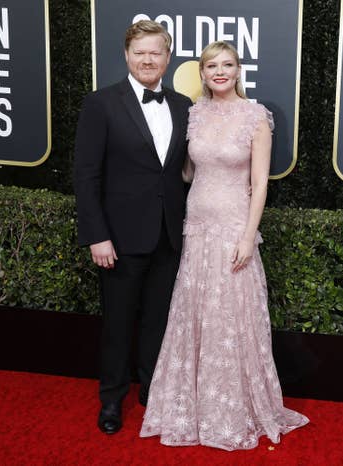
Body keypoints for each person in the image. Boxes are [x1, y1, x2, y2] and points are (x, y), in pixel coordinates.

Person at [140, 41, 309, 451]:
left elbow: (260, 183)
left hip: (233, 229)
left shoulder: (256, 118)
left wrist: (249, 236)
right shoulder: (193, 115)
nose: (219, 71)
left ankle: (234, 409)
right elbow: (185, 170)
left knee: (232, 320)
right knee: (195, 316)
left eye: (227, 64)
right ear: (201, 72)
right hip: (196, 227)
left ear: (238, 70)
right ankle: (195, 408)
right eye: (211, 65)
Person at [73, 20, 192, 435]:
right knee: (118, 324)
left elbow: (182, 172)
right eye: (140, 52)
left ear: (167, 57)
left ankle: (152, 393)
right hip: (119, 239)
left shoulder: (182, 105)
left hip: (168, 236)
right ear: (126, 55)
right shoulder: (101, 104)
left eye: (155, 52)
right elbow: (86, 176)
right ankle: (111, 401)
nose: (147, 59)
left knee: (159, 321)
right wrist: (97, 235)